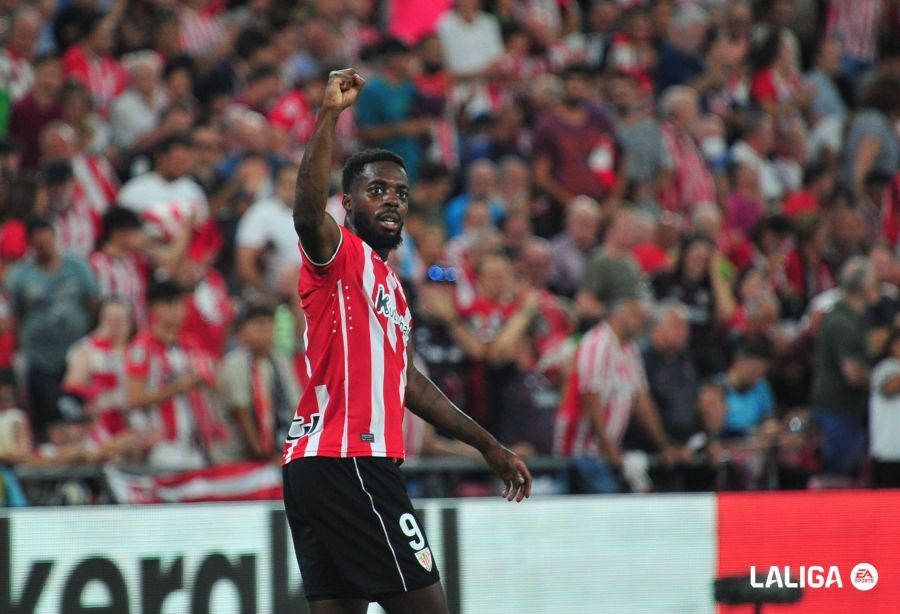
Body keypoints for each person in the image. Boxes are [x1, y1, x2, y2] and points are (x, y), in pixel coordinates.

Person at [283, 68, 531, 614]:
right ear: (346, 204)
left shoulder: (390, 283)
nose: (392, 200)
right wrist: (329, 115)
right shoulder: (338, 254)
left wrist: (487, 445)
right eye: (375, 191)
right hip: (351, 460)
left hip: (316, 466)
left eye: (399, 192)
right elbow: (305, 214)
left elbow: (407, 385)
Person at [555, 288, 680, 493]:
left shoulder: (630, 349)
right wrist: (609, 447)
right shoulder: (597, 343)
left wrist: (663, 444)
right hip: (582, 451)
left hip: (605, 453)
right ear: (617, 314)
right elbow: (590, 397)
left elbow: (641, 398)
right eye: (633, 314)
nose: (640, 320)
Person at [4, 217, 98, 440]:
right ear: (31, 245)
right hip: (40, 358)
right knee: (45, 410)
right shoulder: (21, 275)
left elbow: (93, 304)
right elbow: (18, 315)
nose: (45, 248)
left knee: (77, 409)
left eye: (48, 242)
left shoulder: (77, 268)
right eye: (39, 245)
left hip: (76, 357)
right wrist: (21, 346)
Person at [811, 256, 877, 477]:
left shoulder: (851, 318)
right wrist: (882, 382)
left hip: (844, 409)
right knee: (838, 475)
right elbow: (853, 373)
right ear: (864, 287)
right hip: (839, 409)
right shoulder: (843, 323)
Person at [217, 303, 301, 462]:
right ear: (242, 331)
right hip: (238, 456)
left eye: (270, 324)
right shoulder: (234, 363)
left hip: (281, 448)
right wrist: (265, 456)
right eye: (258, 325)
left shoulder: (281, 361)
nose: (265, 331)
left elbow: (296, 407)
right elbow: (241, 415)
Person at [869, 327, 900, 487]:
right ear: (894, 345)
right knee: (887, 508)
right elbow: (890, 387)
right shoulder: (886, 367)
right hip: (888, 453)